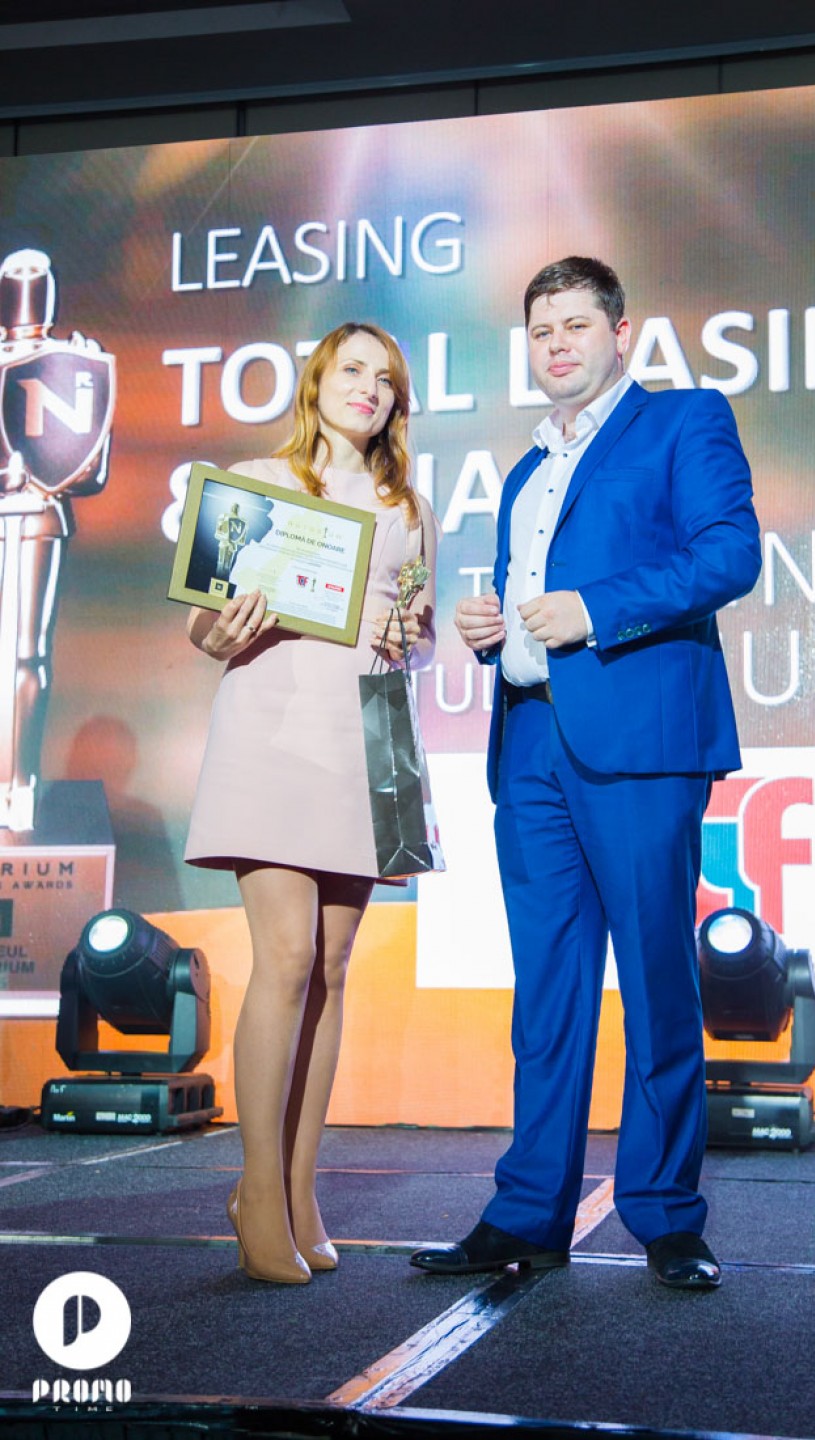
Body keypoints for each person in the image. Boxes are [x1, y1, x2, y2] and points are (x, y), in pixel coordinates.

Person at [410, 257, 760, 1290]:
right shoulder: (524, 469)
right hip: (530, 744)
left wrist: (595, 610)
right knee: (548, 993)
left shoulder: (684, 420)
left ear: (620, 333)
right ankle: (529, 1211)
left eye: (575, 324)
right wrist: (491, 629)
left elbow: (730, 555)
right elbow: (532, 605)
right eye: (541, 330)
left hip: (640, 744)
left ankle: (667, 1217)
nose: (557, 343)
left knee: (656, 979)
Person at [185, 322, 439, 1284]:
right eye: (353, 369)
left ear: (397, 401)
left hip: (370, 735)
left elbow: (416, 632)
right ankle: (255, 1189)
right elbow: (206, 620)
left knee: (331, 968)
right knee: (286, 958)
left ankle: (298, 1191)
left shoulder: (409, 507)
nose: (368, 386)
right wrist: (216, 632)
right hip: (275, 726)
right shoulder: (255, 482)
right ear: (318, 380)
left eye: (386, 377)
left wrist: (413, 635)